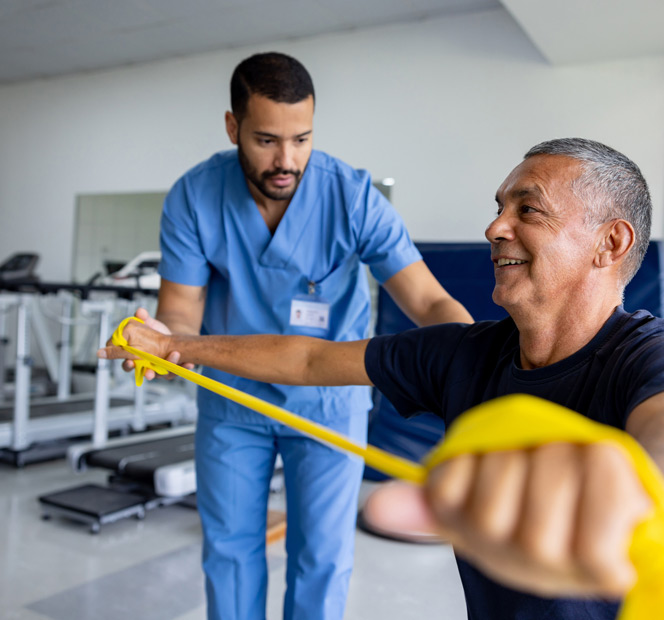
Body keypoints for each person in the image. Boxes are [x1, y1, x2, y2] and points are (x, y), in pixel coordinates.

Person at [102, 138, 664, 619]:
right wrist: (177, 345)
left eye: (529, 209)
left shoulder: (662, 356)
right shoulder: (463, 355)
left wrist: (647, 500)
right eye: (499, 207)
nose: (495, 227)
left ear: (610, 244)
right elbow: (306, 360)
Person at [141, 51, 473, 620]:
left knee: (320, 557)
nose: (286, 160)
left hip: (326, 401)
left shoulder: (352, 196)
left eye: (301, 139)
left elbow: (426, 299)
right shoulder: (195, 196)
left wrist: (478, 359)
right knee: (229, 551)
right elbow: (179, 313)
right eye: (267, 140)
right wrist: (162, 341)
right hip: (232, 399)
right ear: (232, 127)